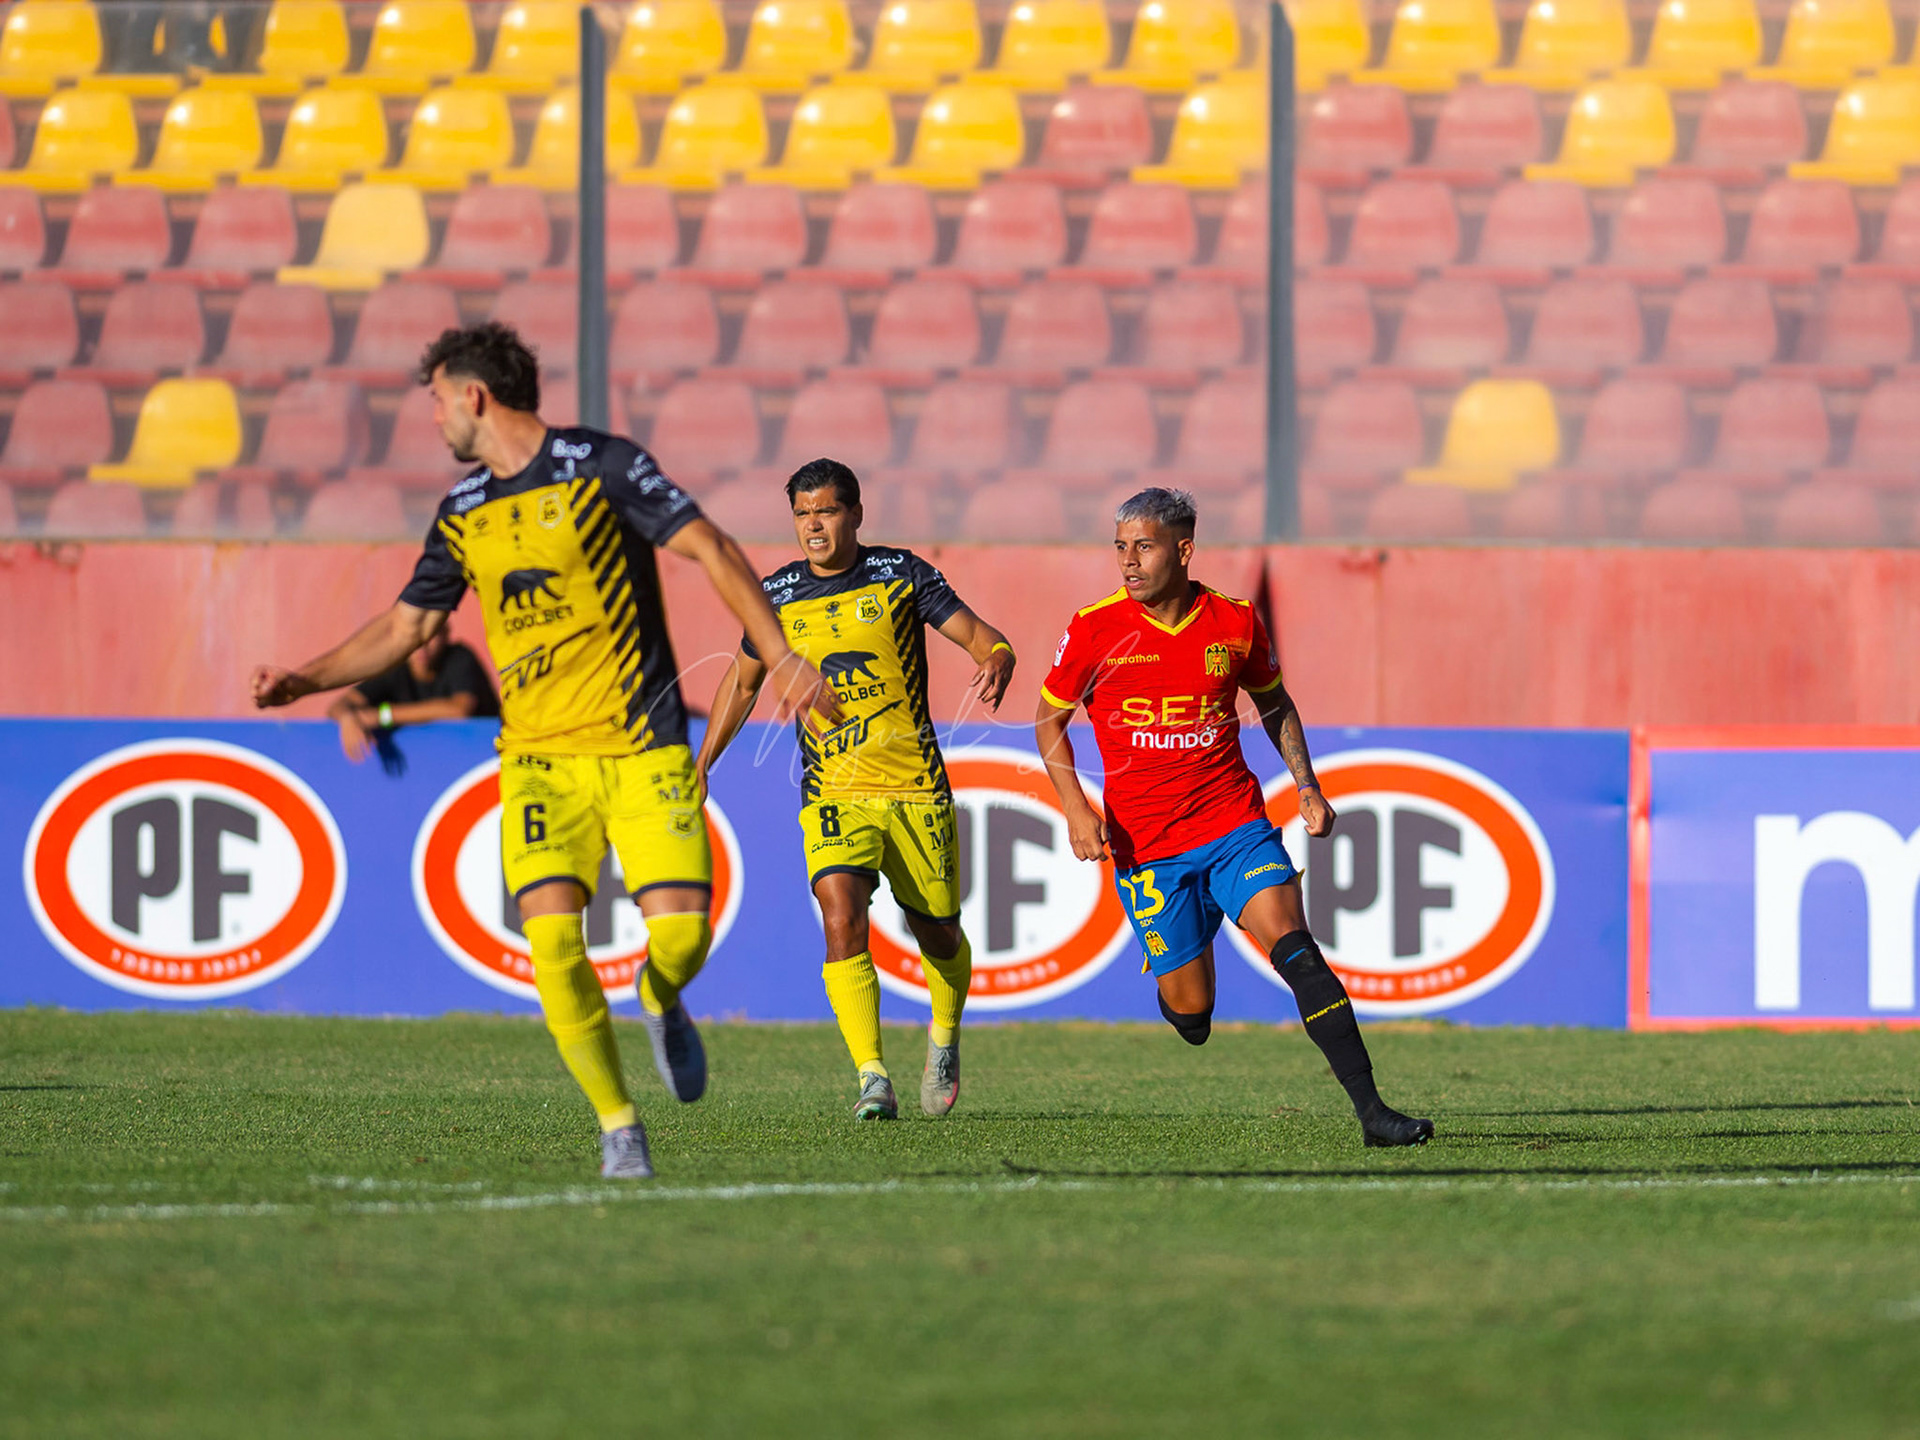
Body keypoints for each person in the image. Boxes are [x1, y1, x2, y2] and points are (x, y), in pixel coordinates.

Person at [250, 324, 838, 1179]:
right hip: (537, 761)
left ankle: (659, 995)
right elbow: (408, 624)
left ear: (474, 395)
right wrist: (305, 680)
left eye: (438, 400)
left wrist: (779, 655)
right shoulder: (462, 511)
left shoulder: (601, 466)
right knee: (553, 943)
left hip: (642, 747)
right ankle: (617, 1125)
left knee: (680, 934)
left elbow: (709, 545)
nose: (437, 419)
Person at [1033, 487, 1432, 1148]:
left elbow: (1275, 704)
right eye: (1120, 548)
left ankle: (1373, 1114)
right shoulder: (1093, 627)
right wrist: (1075, 806)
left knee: (1298, 953)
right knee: (1192, 1014)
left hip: (1233, 827)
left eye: (1145, 546)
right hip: (1149, 847)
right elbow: (1048, 721)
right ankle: (1191, 941)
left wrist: (1307, 786)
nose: (1129, 562)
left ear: (1184, 550)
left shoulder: (1235, 621)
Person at [695, 459, 1015, 1121]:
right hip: (832, 790)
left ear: (855, 514)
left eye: (827, 511)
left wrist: (997, 658)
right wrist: (701, 767)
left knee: (939, 932)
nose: (814, 525)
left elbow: (984, 638)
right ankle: (872, 1077)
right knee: (841, 917)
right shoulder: (775, 594)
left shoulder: (902, 575)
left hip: (915, 787)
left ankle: (945, 1037)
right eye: (803, 514)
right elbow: (744, 681)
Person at [327, 627, 499, 764]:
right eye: (414, 636)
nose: (421, 646)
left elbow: (459, 710)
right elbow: (339, 705)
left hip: (485, 755)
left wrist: (383, 715)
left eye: (430, 635)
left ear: (446, 634)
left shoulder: (460, 657)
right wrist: (348, 718)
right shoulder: (395, 666)